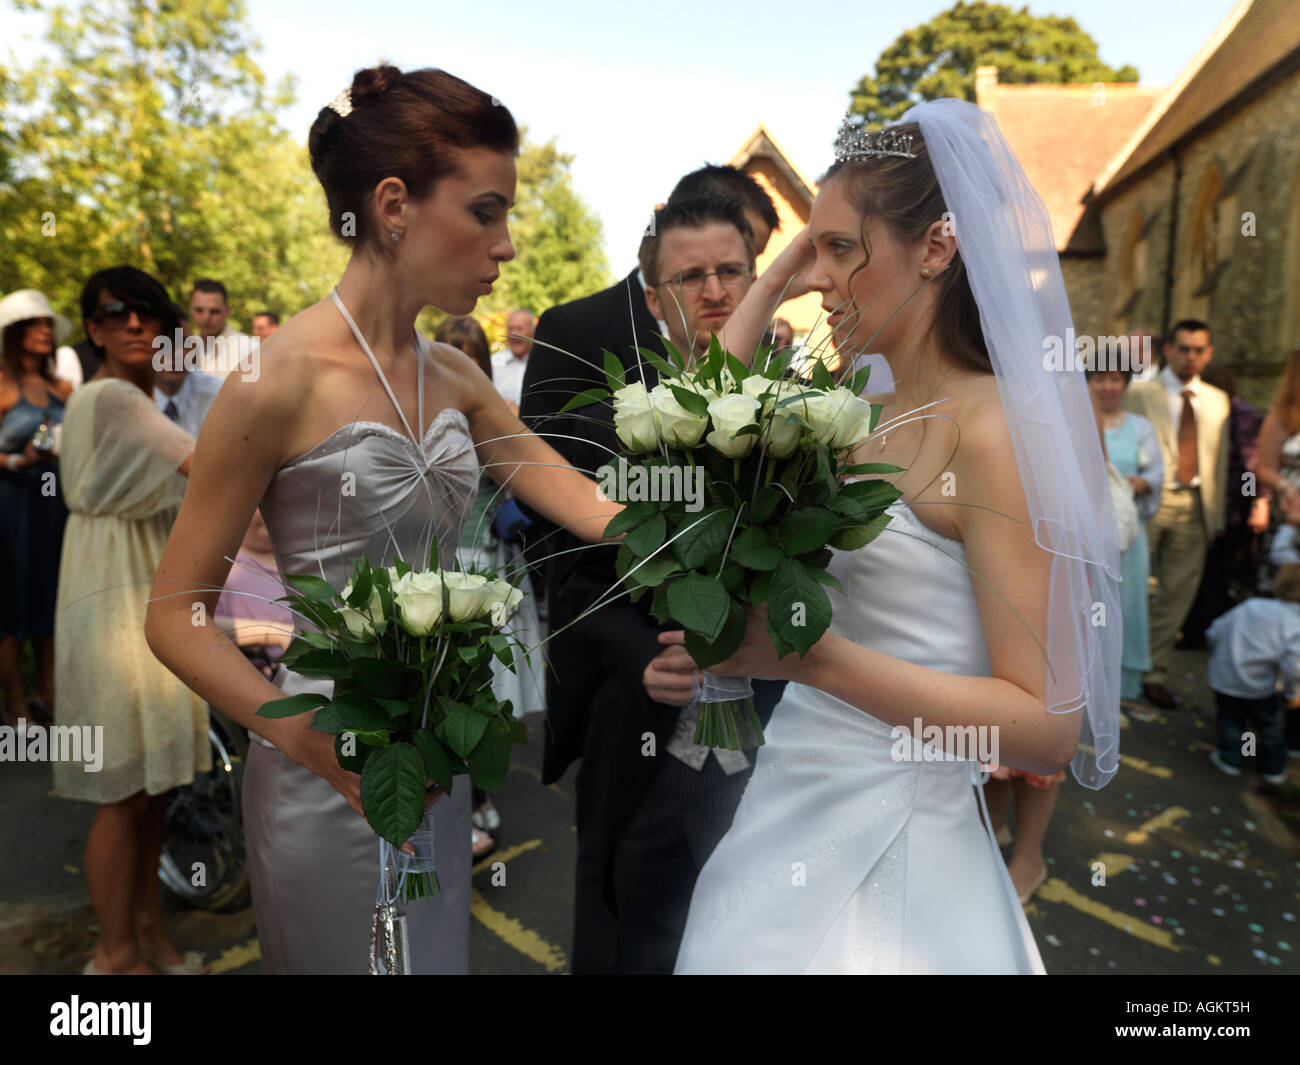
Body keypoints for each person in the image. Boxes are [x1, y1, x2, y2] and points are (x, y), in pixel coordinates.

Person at [145, 65, 621, 975]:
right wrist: (304, 738)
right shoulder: (273, 380)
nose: (508, 246)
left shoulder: (456, 378)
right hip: (319, 756)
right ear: (394, 206)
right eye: (487, 211)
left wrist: (753, 464)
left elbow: (596, 508)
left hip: (432, 762)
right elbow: (173, 615)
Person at [667, 100, 1121, 974]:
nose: (820, 278)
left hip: (900, 839)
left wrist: (803, 658)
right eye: (815, 251)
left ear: (938, 248)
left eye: (840, 250)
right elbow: (699, 420)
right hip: (795, 786)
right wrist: (769, 282)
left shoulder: (996, 432)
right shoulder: (860, 403)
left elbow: (1045, 728)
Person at [51, 266, 209, 975]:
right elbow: (207, 467)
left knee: (151, 789)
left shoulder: (138, 398)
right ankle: (114, 955)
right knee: (121, 791)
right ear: (94, 329)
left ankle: (146, 929)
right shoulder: (113, 396)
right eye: (116, 312)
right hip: (111, 594)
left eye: (148, 311)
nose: (135, 324)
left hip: (140, 584)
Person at [436, 312, 545, 856]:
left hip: (489, 561)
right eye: (449, 351)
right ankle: (463, 797)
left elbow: (519, 478)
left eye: (470, 352)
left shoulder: (495, 413)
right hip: (439, 565)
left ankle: (477, 795)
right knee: (450, 687)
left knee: (486, 686)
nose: (460, 361)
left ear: (481, 359)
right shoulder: (419, 413)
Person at [1121, 320, 1230, 709]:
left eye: (1199, 350)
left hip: (1196, 505)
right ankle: (1117, 669)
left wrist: (1215, 515)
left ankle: (1155, 672)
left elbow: (1219, 459)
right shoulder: (1139, 393)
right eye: (1183, 348)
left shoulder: (1218, 400)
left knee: (1176, 594)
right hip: (1149, 501)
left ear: (1209, 353)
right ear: (1167, 350)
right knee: (1128, 588)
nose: (1191, 357)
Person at [0, 289, 74, 732]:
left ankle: (48, 690)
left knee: (51, 597)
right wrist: (17, 461)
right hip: (9, 504)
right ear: (15, 333)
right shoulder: (2, 384)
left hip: (54, 503)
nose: (46, 330)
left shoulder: (62, 387)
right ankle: (15, 703)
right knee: (11, 603)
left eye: (49, 324)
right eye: (36, 324)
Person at [1087, 364, 1164, 701]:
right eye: (1099, 378)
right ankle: (1085, 680)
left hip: (1126, 533)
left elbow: (1158, 475)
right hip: (1087, 530)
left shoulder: (1140, 427)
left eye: (1115, 378)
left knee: (1126, 603)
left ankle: (1120, 685)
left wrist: (1125, 484)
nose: (1107, 386)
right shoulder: (1076, 422)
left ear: (1126, 383)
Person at [1179, 362, 1266, 644]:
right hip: (1210, 507)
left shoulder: (1244, 417)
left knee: (1220, 576)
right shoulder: (1210, 413)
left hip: (1235, 512)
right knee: (1201, 573)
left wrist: (1253, 501)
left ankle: (1209, 632)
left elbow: (1251, 467)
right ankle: (1196, 631)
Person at [1204, 563, 1300, 786]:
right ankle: (1272, 768)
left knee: (1232, 720)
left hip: (1227, 678)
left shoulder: (1252, 606)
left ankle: (1232, 759)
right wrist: (1292, 693)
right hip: (1261, 687)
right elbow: (1294, 666)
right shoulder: (1295, 623)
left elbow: (1216, 630)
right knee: (1268, 727)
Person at [188, 279, 249, 376]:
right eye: (199, 310)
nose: (206, 318)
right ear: (190, 309)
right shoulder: (184, 349)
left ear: (227, 311)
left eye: (214, 311)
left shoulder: (249, 350)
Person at [489, 307, 534, 412]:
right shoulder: (493, 363)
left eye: (519, 328)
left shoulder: (542, 364)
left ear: (532, 331)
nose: (514, 334)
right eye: (510, 329)